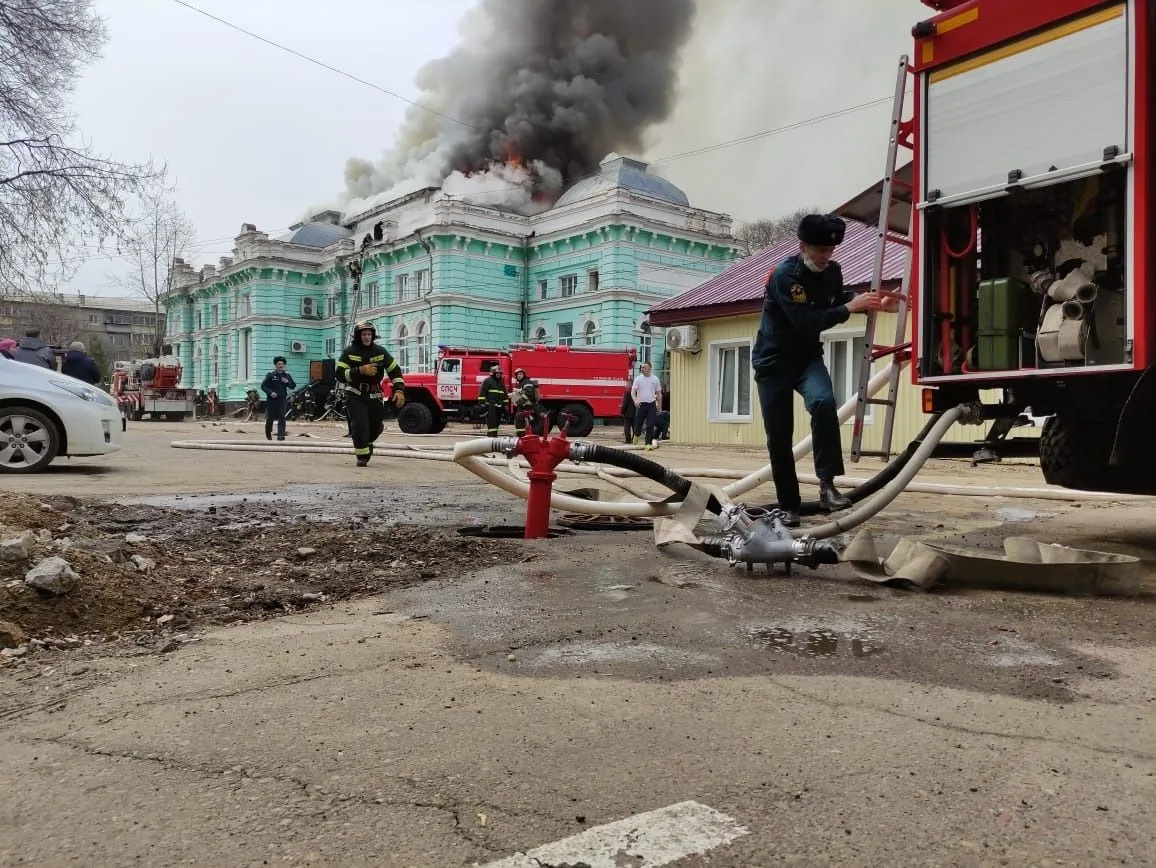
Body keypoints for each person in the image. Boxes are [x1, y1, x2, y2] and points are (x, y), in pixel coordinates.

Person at [751, 213, 894, 528]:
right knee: (779, 437)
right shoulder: (785, 276)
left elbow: (833, 299)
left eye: (830, 251)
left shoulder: (833, 271)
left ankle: (828, 485)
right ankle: (789, 505)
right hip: (773, 362)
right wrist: (848, 309)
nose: (826, 257)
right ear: (803, 246)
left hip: (806, 358)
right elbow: (806, 322)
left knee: (824, 402)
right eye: (820, 251)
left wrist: (867, 301)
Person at [335, 320, 405, 467]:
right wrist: (359, 370)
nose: (366, 337)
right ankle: (362, 457)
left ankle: (367, 443)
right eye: (364, 334)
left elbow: (395, 371)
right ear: (358, 336)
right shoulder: (349, 352)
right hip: (355, 394)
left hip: (374, 395)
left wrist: (399, 390)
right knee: (360, 425)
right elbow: (339, 374)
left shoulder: (380, 351)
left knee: (376, 427)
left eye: (369, 334)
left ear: (373, 336)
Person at [261, 355, 296, 441]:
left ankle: (281, 435)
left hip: (282, 399)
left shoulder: (287, 375)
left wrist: (287, 382)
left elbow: (293, 386)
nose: (281, 366)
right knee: (270, 418)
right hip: (271, 400)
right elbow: (263, 386)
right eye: (279, 364)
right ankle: (268, 431)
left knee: (282, 417)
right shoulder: (271, 375)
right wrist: (270, 392)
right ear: (275, 365)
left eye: (282, 364)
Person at [630, 362, 662, 448]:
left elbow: (659, 394)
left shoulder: (655, 379)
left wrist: (659, 407)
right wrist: (635, 400)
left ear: (649, 369)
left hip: (651, 405)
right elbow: (632, 392)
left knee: (650, 424)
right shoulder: (638, 379)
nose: (642, 369)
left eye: (644, 367)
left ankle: (648, 443)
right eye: (642, 367)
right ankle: (636, 434)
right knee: (638, 424)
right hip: (641, 404)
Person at [480, 364, 508, 437]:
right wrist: (482, 404)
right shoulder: (487, 381)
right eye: (497, 373)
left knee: (496, 423)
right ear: (493, 373)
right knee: (492, 424)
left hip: (499, 407)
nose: (499, 374)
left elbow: (505, 394)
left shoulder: (501, 383)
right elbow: (482, 392)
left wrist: (505, 405)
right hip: (490, 406)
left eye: (500, 373)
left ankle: (494, 438)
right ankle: (491, 438)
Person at [511, 367, 540, 436]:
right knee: (521, 422)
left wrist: (519, 402)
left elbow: (528, 394)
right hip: (523, 406)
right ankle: (522, 435)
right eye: (517, 374)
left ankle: (522, 436)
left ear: (524, 374)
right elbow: (521, 393)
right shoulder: (521, 383)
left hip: (526, 406)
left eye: (520, 374)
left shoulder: (527, 382)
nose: (519, 375)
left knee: (519, 422)